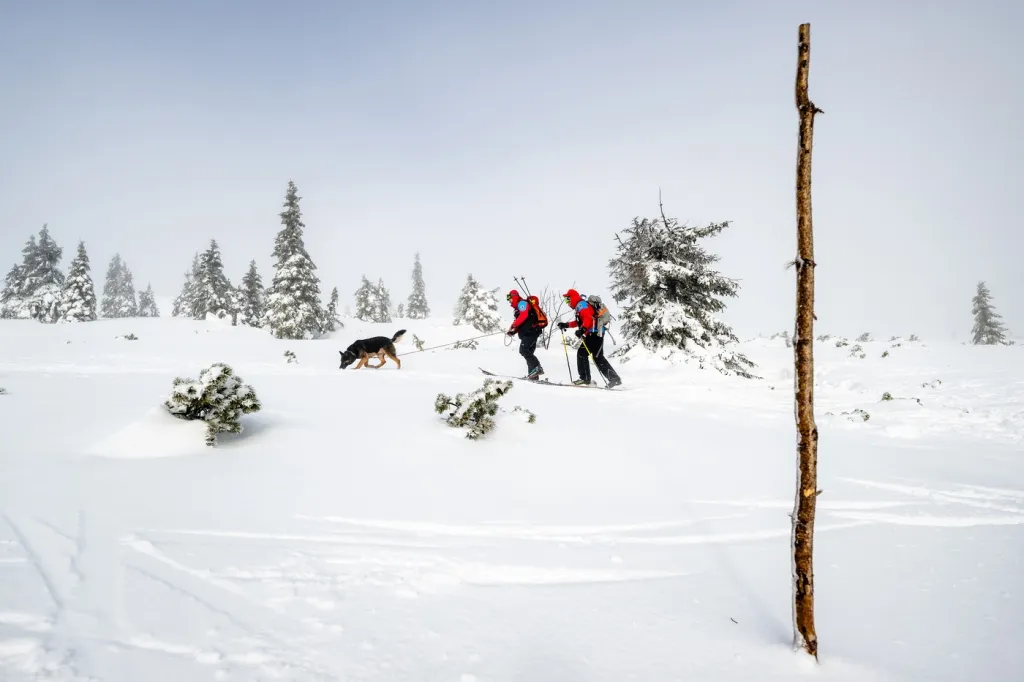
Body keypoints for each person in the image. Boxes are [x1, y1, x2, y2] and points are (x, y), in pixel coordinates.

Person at [556, 288, 622, 387]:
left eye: (567, 300)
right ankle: (614, 379)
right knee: (597, 357)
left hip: (593, 333)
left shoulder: (581, 305)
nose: (567, 303)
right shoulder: (581, 306)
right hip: (597, 333)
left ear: (572, 298)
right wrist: (566, 325)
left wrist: (582, 330)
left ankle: (585, 378)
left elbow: (588, 319)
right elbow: (579, 322)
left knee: (582, 354)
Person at [506, 289, 544, 380]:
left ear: (514, 296)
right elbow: (522, 321)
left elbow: (524, 316)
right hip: (530, 331)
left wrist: (513, 325)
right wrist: (513, 331)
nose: (509, 301)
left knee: (523, 350)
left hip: (531, 331)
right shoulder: (519, 307)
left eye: (509, 298)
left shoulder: (522, 303)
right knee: (528, 353)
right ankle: (533, 375)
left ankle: (537, 368)